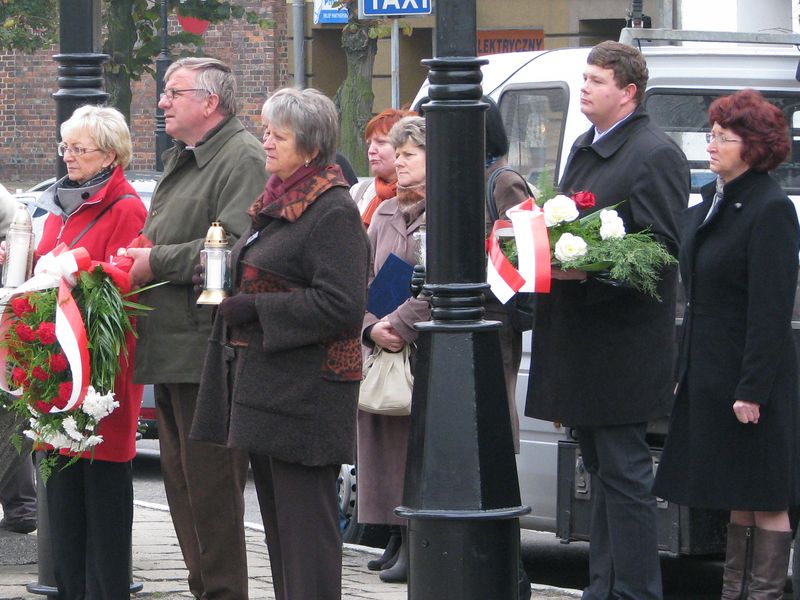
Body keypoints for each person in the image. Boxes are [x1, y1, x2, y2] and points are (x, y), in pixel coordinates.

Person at [524, 41, 689, 600]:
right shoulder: (583, 145)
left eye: (597, 80)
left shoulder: (653, 153)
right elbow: (567, 220)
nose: (586, 87)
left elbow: (662, 253)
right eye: (586, 77)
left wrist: (590, 272)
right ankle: (604, 588)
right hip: (581, 341)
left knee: (625, 474)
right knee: (600, 471)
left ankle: (638, 592)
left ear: (629, 93)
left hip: (623, 348)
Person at [190, 87, 369, 600]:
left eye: (277, 135)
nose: (265, 141)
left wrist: (256, 308)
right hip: (271, 392)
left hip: (306, 399)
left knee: (305, 537)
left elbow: (341, 305)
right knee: (282, 535)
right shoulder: (281, 200)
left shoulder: (331, 211)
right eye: (266, 131)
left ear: (310, 148)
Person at [123, 57, 267, 600]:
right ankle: (204, 589)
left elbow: (233, 251)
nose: (162, 102)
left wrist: (154, 261)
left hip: (209, 344)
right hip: (177, 343)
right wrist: (145, 253)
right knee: (182, 486)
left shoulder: (240, 157)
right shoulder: (189, 157)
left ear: (210, 101)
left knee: (210, 488)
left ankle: (224, 592)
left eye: (173, 92)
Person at [652, 90, 800, 599]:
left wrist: (753, 388)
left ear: (754, 146)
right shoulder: (714, 200)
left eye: (724, 137)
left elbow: (771, 311)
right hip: (712, 371)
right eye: (711, 135)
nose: (711, 144)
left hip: (752, 377)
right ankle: (733, 592)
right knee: (736, 493)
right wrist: (684, 371)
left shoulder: (771, 208)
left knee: (766, 493)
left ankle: (763, 595)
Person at [0, 104, 146, 598]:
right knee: (59, 488)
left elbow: (124, 281)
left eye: (78, 149)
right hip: (52, 363)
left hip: (99, 367)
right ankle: (67, 587)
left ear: (109, 153)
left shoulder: (126, 205)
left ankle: (105, 589)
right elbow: (43, 267)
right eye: (65, 147)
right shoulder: (57, 202)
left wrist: (75, 264)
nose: (68, 157)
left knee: (101, 486)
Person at [358, 115, 430, 584]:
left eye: (408, 153)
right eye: (396, 153)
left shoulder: (442, 211)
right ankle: (393, 532)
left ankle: (413, 537)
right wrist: (369, 327)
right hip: (381, 343)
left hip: (419, 348)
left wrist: (401, 324)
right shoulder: (384, 211)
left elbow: (445, 283)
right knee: (380, 443)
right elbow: (361, 277)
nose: (398, 161)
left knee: (411, 446)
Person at [350, 108, 416, 227]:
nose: (371, 151)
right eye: (369, 144)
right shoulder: (358, 192)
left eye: (381, 143)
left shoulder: (421, 196)